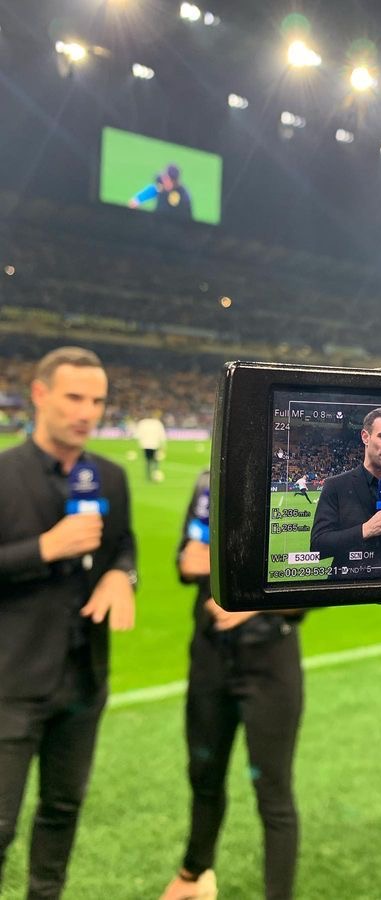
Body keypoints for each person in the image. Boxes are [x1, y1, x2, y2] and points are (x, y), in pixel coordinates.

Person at [0, 346, 136, 899]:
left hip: (84, 680)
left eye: (97, 401)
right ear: (40, 394)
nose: (88, 412)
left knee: (62, 811)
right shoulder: (4, 475)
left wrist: (122, 576)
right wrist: (44, 548)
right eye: (75, 397)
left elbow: (123, 545)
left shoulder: (110, 477)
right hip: (11, 683)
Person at [160, 471, 304, 900]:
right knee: (203, 773)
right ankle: (194, 875)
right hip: (210, 658)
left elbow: (309, 583)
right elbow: (188, 561)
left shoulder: (286, 488)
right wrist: (259, 571)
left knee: (273, 791)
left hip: (270, 664)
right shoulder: (209, 483)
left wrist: (247, 600)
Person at [310, 407, 381, 579]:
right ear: (365, 437)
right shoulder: (335, 486)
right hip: (348, 589)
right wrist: (365, 530)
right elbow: (318, 545)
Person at [129, 164, 193, 220]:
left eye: (167, 179)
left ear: (174, 182)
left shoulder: (183, 197)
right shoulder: (161, 183)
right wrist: (138, 199)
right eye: (164, 177)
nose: (163, 180)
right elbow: (153, 189)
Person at [135, 413, 167, 481]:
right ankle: (155, 475)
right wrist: (163, 445)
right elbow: (162, 434)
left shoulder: (142, 423)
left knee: (148, 461)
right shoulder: (157, 423)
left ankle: (148, 476)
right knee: (155, 461)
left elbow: (138, 434)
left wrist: (140, 443)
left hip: (145, 445)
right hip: (155, 445)